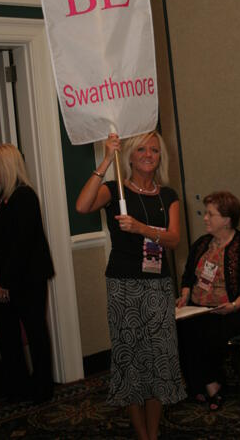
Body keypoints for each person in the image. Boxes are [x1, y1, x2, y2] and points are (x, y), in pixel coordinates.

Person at [76, 131, 186, 440]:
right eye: (141, 149)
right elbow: (82, 206)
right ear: (130, 156)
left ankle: (154, 432)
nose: (149, 154)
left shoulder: (169, 196)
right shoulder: (115, 190)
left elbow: (174, 239)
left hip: (159, 286)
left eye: (154, 149)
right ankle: (144, 436)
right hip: (124, 286)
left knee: (159, 361)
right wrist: (107, 158)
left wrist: (140, 228)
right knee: (133, 360)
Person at [176, 191, 240, 410]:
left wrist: (234, 306)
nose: (205, 218)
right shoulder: (202, 244)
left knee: (206, 328)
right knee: (181, 327)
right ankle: (199, 384)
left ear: (227, 219)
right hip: (200, 308)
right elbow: (188, 275)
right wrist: (184, 295)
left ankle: (211, 385)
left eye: (211, 214)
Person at [0, 143, 54, 404]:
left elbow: (22, 244)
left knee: (35, 330)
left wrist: (6, 282)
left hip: (27, 278)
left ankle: (42, 388)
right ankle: (17, 386)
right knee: (5, 329)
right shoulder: (4, 195)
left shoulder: (24, 196)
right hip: (9, 276)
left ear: (5, 165)